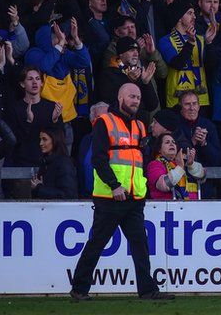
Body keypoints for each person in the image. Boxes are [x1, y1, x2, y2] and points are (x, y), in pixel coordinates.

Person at [69, 83, 174, 301]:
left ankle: (147, 290)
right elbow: (98, 159)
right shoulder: (104, 123)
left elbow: (139, 159)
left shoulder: (139, 126)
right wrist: (114, 185)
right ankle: (79, 288)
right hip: (110, 196)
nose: (135, 100)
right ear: (120, 97)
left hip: (134, 197)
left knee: (140, 245)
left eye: (137, 97)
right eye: (131, 96)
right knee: (97, 243)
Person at [145, 133, 205, 200]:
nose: (171, 144)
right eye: (167, 142)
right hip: (166, 207)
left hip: (192, 206)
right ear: (159, 149)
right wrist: (180, 167)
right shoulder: (154, 165)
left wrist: (191, 164)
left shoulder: (181, 162)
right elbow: (164, 185)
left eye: (173, 142)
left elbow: (202, 176)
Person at [31, 125, 79, 199]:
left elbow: (67, 194)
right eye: (40, 139)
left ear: (55, 140)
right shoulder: (45, 162)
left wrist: (39, 188)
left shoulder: (64, 164)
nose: (41, 143)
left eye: (44, 139)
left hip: (62, 210)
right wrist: (38, 188)